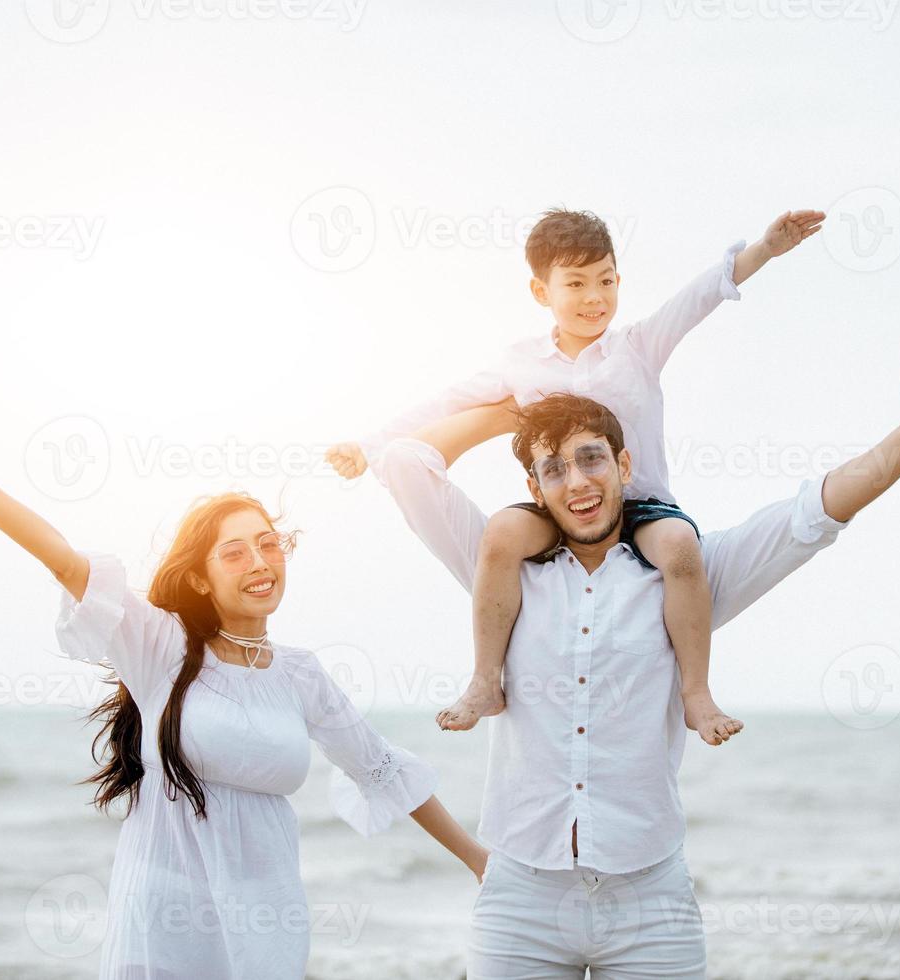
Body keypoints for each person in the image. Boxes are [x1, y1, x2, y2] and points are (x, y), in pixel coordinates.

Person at [366, 335, 900, 977]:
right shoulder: (501, 570)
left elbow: (811, 514)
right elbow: (402, 463)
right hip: (519, 902)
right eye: (554, 468)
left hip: (650, 904)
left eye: (591, 459)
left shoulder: (689, 575)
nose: (578, 481)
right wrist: (514, 409)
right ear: (534, 486)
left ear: (623, 466)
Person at [0, 411, 488, 979]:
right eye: (235, 552)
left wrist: (480, 862)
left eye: (269, 543)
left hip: (266, 920)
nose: (260, 561)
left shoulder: (301, 675)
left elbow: (380, 768)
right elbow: (63, 561)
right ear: (201, 576)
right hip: (163, 916)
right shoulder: (158, 646)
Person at [328, 207, 826, 742]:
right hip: (559, 509)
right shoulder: (520, 362)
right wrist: (369, 444)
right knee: (499, 534)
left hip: (641, 509)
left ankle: (697, 695)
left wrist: (765, 250)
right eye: (576, 283)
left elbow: (697, 298)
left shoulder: (637, 345)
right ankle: (484, 680)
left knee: (682, 546)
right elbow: (446, 400)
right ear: (542, 292)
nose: (595, 297)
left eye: (606, 281)